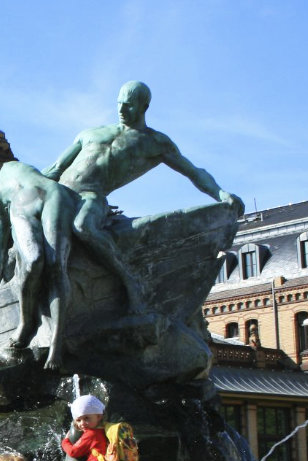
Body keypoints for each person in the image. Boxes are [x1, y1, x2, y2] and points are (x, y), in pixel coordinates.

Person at [43, 80, 244, 310]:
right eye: (119, 103)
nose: (121, 110)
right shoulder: (90, 133)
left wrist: (220, 193)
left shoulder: (154, 143)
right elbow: (55, 169)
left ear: (144, 107)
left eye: (128, 105)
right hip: (60, 193)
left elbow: (194, 172)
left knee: (83, 227)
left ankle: (129, 279)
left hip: (91, 197)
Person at [0, 161, 79, 369]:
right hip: (56, 192)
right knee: (54, 265)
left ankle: (45, 335)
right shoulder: (11, 168)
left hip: (30, 201)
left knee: (41, 262)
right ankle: (40, 332)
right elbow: (56, 168)